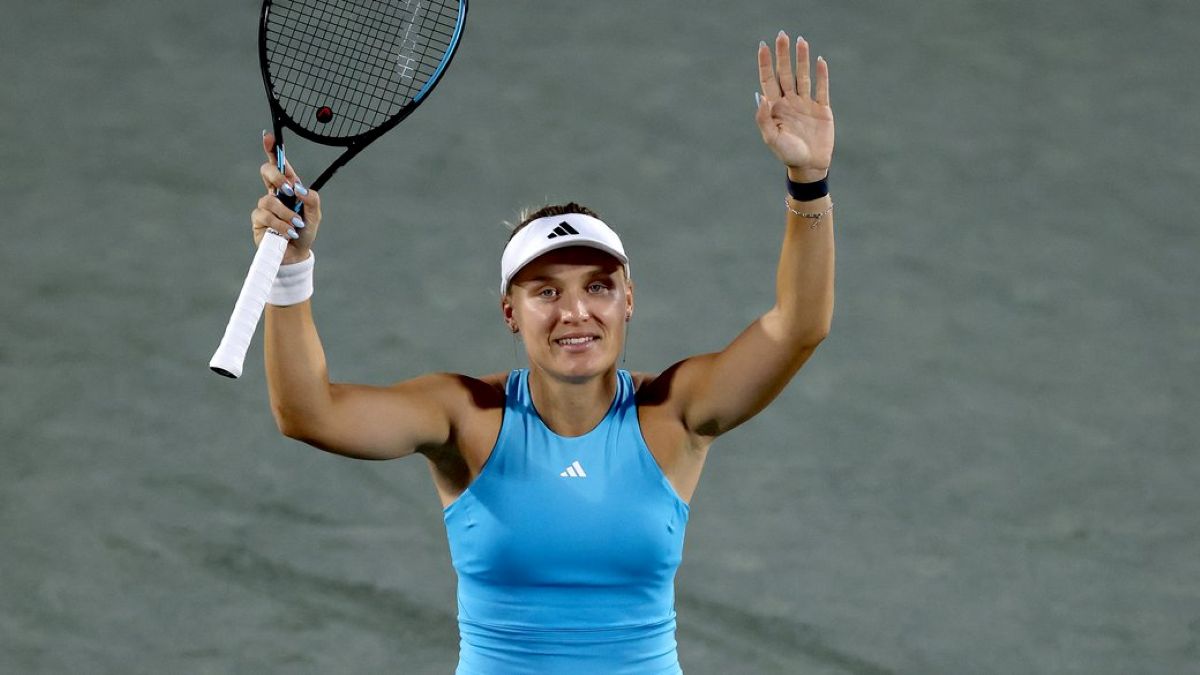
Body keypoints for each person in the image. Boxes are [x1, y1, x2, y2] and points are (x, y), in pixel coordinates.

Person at [249, 30, 834, 675]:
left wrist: (807, 182)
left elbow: (798, 326)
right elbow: (309, 414)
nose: (575, 312)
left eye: (599, 287)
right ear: (510, 312)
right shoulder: (465, 415)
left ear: (629, 301)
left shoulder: (675, 411)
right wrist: (290, 269)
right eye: (547, 291)